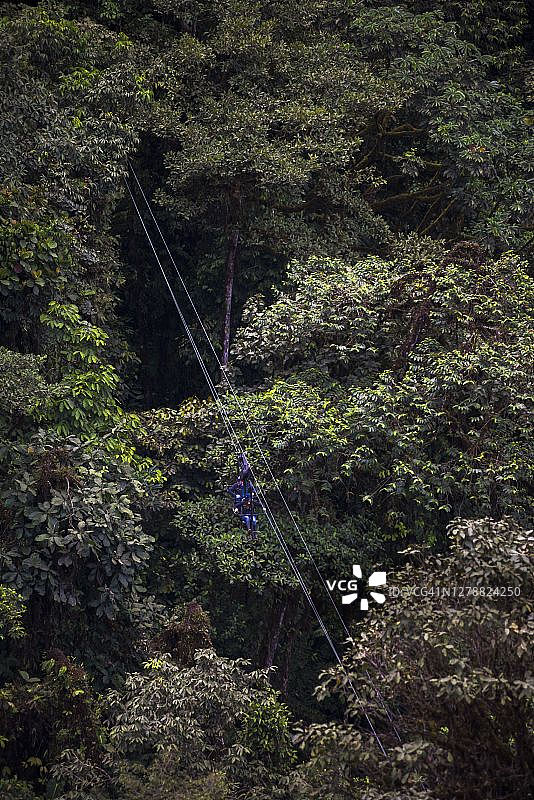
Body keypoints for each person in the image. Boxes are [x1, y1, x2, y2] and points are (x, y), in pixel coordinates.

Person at [227, 454, 258, 538]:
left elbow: (255, 499)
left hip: (246, 496)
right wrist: (236, 495)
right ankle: (249, 530)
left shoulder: (247, 484)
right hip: (241, 498)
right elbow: (229, 490)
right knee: (248, 519)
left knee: (254, 521)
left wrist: (253, 494)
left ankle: (254, 534)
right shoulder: (237, 485)